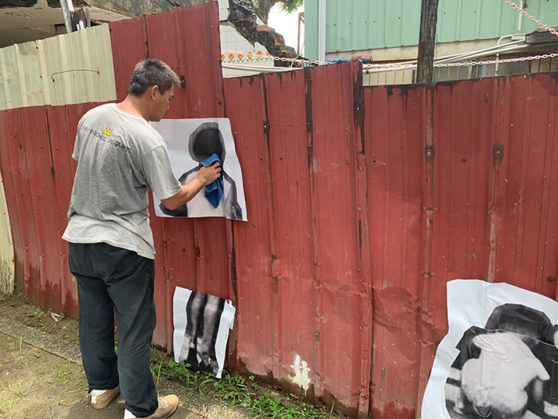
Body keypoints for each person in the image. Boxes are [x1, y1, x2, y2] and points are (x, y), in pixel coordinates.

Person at [62, 59, 221, 419]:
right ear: (153, 92)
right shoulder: (148, 139)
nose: (169, 106)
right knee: (134, 328)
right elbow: (172, 200)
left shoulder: (92, 118)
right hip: (122, 247)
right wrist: (201, 178)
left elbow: (85, 161)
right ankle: (141, 409)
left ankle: (101, 390)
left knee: (94, 320)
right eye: (169, 98)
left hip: (81, 240)